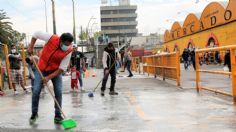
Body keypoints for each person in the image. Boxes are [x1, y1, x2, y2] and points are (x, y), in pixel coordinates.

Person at [28, 31, 74, 124]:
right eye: (65, 44)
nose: (67, 47)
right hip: (41, 68)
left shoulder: (69, 50)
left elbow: (62, 68)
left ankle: (58, 116)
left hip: (55, 71)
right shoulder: (52, 38)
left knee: (58, 92)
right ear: (60, 41)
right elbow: (36, 34)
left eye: (69, 45)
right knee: (36, 90)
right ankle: (34, 113)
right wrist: (31, 46)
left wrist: (49, 77)